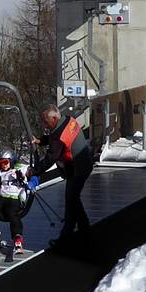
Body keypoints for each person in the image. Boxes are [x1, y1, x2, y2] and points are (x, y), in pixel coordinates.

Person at [32, 105, 93, 247]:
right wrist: (41, 140)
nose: (44, 125)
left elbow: (51, 157)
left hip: (78, 168)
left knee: (71, 200)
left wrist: (34, 171)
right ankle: (84, 228)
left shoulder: (59, 135)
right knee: (73, 199)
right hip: (83, 162)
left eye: (46, 122)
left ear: (54, 118)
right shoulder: (67, 120)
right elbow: (55, 137)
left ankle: (66, 236)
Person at [0, 149, 35, 254]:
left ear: (11, 161)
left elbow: (34, 175)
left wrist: (32, 183)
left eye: (5, 162)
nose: (3, 165)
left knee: (12, 213)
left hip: (15, 198)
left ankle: (17, 237)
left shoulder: (21, 169)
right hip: (2, 196)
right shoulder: (0, 173)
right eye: (0, 163)